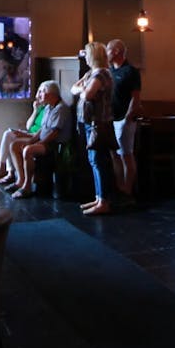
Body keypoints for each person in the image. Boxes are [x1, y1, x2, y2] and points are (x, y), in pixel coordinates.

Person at [72, 42, 116, 217]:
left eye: (87, 56)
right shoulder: (91, 73)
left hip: (98, 123)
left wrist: (83, 90)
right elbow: (74, 88)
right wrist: (83, 89)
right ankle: (99, 198)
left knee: (99, 161)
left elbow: (88, 94)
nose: (85, 59)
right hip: (90, 123)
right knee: (94, 161)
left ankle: (104, 201)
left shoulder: (101, 74)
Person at [10, 81, 72, 198]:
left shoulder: (61, 108)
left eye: (42, 92)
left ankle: (27, 186)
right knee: (15, 145)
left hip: (54, 145)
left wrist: (37, 143)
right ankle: (21, 180)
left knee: (28, 150)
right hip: (44, 141)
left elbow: (54, 133)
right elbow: (43, 129)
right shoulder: (48, 107)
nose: (39, 95)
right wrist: (32, 139)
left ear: (51, 94)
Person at [0, 81, 51, 184]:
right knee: (8, 134)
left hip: (36, 137)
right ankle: (8, 171)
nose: (39, 95)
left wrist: (26, 135)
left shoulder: (49, 109)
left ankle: (5, 171)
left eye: (42, 92)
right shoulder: (41, 108)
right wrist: (35, 110)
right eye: (39, 92)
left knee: (12, 139)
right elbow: (28, 125)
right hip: (30, 132)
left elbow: (43, 131)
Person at [106, 38, 142, 198]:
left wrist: (128, 117)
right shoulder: (110, 71)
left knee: (126, 154)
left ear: (116, 51)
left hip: (124, 119)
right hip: (111, 118)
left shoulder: (130, 71)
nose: (106, 53)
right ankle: (119, 187)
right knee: (114, 154)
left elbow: (135, 97)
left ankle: (128, 191)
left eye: (108, 50)